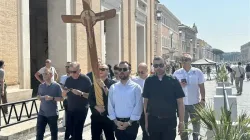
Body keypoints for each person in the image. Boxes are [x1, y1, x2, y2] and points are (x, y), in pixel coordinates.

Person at [143, 56, 185, 140]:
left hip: (169, 122)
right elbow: (146, 103)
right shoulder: (149, 81)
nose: (158, 68)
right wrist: (146, 122)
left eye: (161, 65)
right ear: (153, 67)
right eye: (156, 66)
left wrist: (181, 121)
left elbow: (180, 102)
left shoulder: (173, 80)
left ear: (165, 65)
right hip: (153, 121)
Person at [173, 54, 205, 140]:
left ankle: (195, 138)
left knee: (196, 124)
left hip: (195, 103)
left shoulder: (198, 72)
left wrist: (203, 99)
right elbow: (173, 87)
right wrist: (179, 84)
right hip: (181, 104)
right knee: (183, 124)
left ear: (191, 61)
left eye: (186, 59)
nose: (184, 61)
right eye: (183, 59)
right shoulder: (177, 73)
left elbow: (202, 86)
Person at [108, 61, 143, 140]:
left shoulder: (136, 88)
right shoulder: (113, 88)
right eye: (120, 69)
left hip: (131, 124)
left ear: (129, 71)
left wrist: (129, 123)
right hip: (117, 123)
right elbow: (110, 106)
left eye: (124, 69)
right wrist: (116, 122)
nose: (122, 71)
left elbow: (138, 106)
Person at [63, 62, 92, 140]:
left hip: (81, 109)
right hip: (70, 108)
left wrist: (81, 93)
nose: (72, 74)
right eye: (70, 72)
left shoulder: (86, 79)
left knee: (77, 131)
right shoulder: (68, 79)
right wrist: (64, 93)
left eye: (74, 72)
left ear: (79, 70)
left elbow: (91, 96)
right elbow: (64, 94)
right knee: (69, 130)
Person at [89, 63, 116, 140]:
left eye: (103, 69)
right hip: (96, 116)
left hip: (108, 116)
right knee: (95, 137)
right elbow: (90, 98)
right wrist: (96, 106)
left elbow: (113, 97)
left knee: (110, 136)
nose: (100, 71)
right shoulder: (94, 84)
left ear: (108, 71)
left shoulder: (113, 84)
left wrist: (104, 86)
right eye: (99, 69)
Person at [36, 68, 63, 140]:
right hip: (42, 113)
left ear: (51, 75)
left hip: (52, 114)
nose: (43, 75)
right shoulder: (41, 86)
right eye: (43, 74)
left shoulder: (57, 86)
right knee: (39, 133)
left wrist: (52, 98)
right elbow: (38, 96)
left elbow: (62, 98)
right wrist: (41, 97)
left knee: (53, 134)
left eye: (45, 74)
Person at [131, 62, 149, 140]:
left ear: (147, 70)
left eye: (142, 72)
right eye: (139, 72)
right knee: (133, 130)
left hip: (147, 109)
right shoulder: (134, 80)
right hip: (136, 109)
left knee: (146, 131)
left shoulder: (151, 80)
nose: (140, 74)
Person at [59, 62, 71, 128]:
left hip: (73, 99)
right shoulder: (63, 77)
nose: (67, 68)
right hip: (66, 98)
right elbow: (61, 86)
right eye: (66, 67)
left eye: (68, 66)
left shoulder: (74, 77)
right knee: (67, 111)